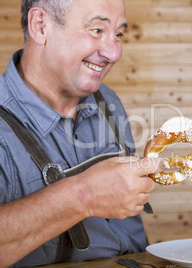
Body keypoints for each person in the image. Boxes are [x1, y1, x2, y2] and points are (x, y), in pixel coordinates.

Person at [0, 0, 165, 266]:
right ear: (40, 26)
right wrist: (84, 195)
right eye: (97, 30)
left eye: (118, 35)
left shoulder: (108, 102)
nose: (114, 53)